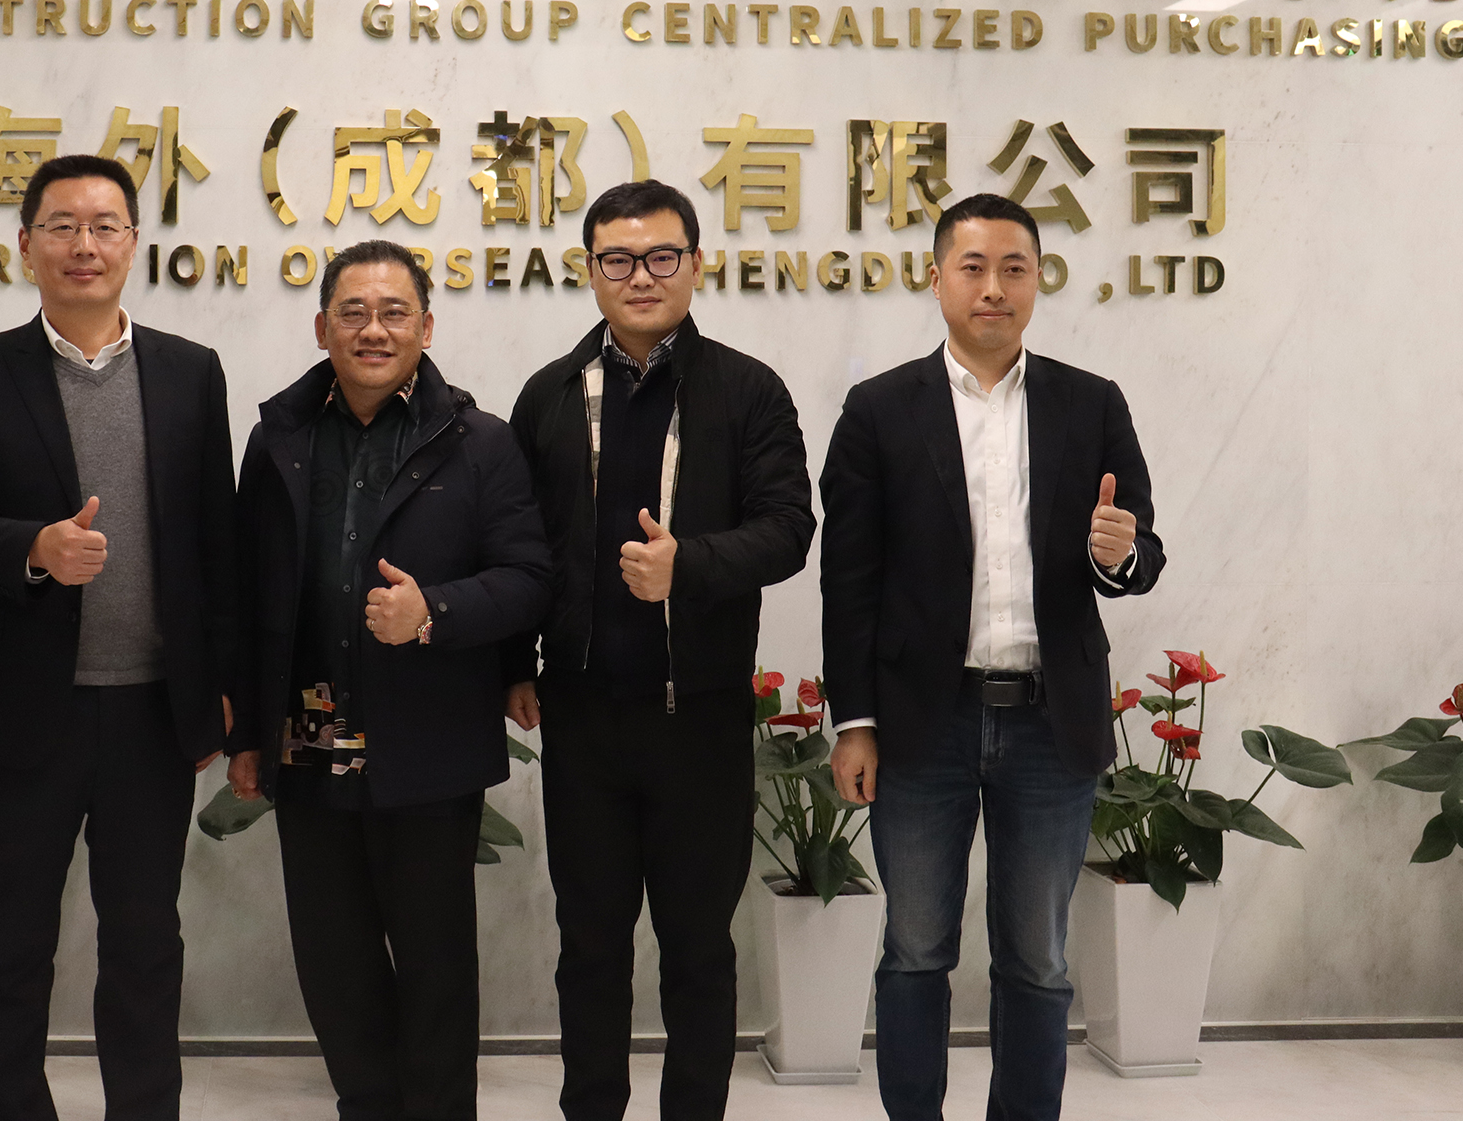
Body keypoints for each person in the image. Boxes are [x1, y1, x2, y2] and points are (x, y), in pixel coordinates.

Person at [821, 191, 1165, 1121]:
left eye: (1014, 268)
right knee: (915, 949)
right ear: (936, 279)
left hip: (1051, 725)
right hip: (920, 726)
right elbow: (848, 581)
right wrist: (854, 722)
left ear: (1039, 280)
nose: (993, 288)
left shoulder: (1090, 403)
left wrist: (1117, 553)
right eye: (972, 267)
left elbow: (1141, 553)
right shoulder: (879, 410)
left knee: (1038, 958)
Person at [0, 153, 237, 1121]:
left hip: (152, 708)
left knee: (145, 940)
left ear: (133, 244)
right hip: (23, 709)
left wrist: (224, 684)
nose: (83, 244)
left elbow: (217, 537)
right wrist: (34, 549)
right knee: (10, 939)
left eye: (104, 226)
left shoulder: (190, 372)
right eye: (61, 226)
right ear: (26, 246)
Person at [505, 179, 816, 1121]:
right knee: (589, 947)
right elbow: (516, 545)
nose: (640, 276)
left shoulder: (748, 390)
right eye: (618, 258)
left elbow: (789, 530)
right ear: (590, 269)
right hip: (583, 716)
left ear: (695, 263)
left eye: (660, 256)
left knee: (698, 951)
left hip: (702, 719)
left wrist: (690, 566)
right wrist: (515, 661)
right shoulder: (549, 395)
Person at [228, 240, 551, 1121]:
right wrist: (247, 732)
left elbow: (529, 578)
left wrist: (432, 611)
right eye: (354, 313)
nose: (374, 330)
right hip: (308, 739)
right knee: (333, 960)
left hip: (426, 740)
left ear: (426, 327)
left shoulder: (480, 443)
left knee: (436, 962)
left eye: (394, 312)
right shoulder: (279, 439)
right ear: (322, 327)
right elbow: (247, 590)